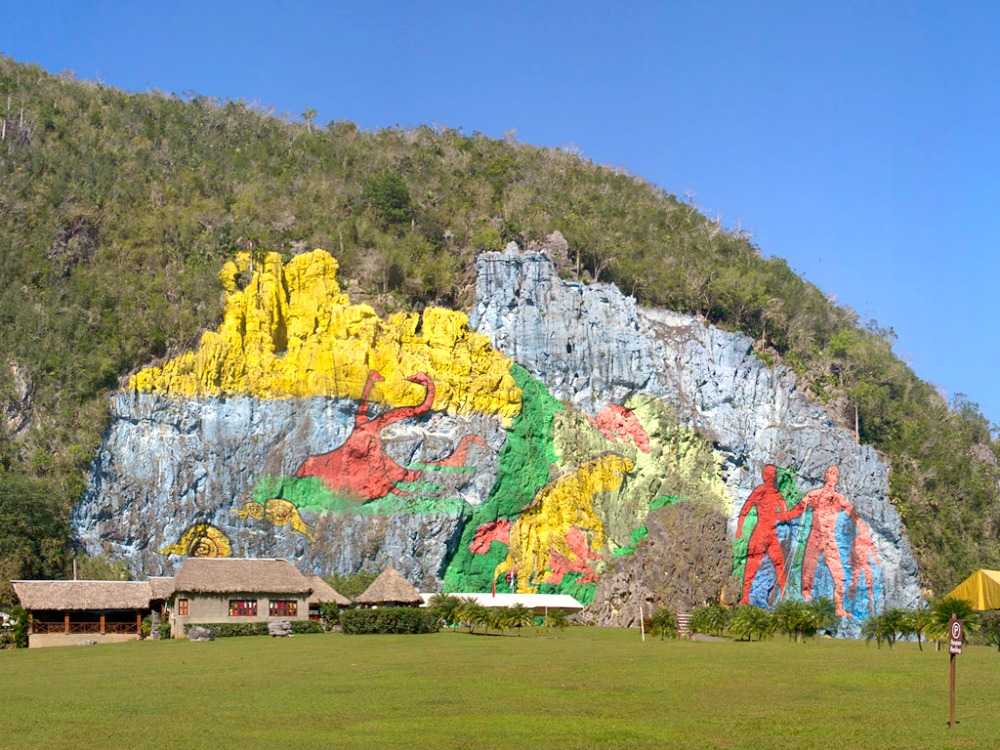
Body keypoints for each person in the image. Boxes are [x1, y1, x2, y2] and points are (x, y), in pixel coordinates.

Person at [784, 466, 854, 616]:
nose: (832, 476)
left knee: (839, 575)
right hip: (815, 537)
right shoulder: (814, 495)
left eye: (835, 474)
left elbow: (851, 512)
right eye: (830, 473)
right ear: (825, 477)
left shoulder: (840, 499)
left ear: (837, 480)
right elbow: (797, 509)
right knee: (807, 570)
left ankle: (839, 607)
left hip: (829, 539)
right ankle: (805, 598)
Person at [736, 464, 791, 605]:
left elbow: (785, 514)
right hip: (760, 532)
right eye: (768, 474)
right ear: (765, 476)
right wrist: (739, 529)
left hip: (771, 534)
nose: (770, 477)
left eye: (772, 474)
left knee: (779, 562)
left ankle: (784, 594)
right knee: (752, 563)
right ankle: (746, 596)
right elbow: (745, 509)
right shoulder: (759, 491)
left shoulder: (777, 494)